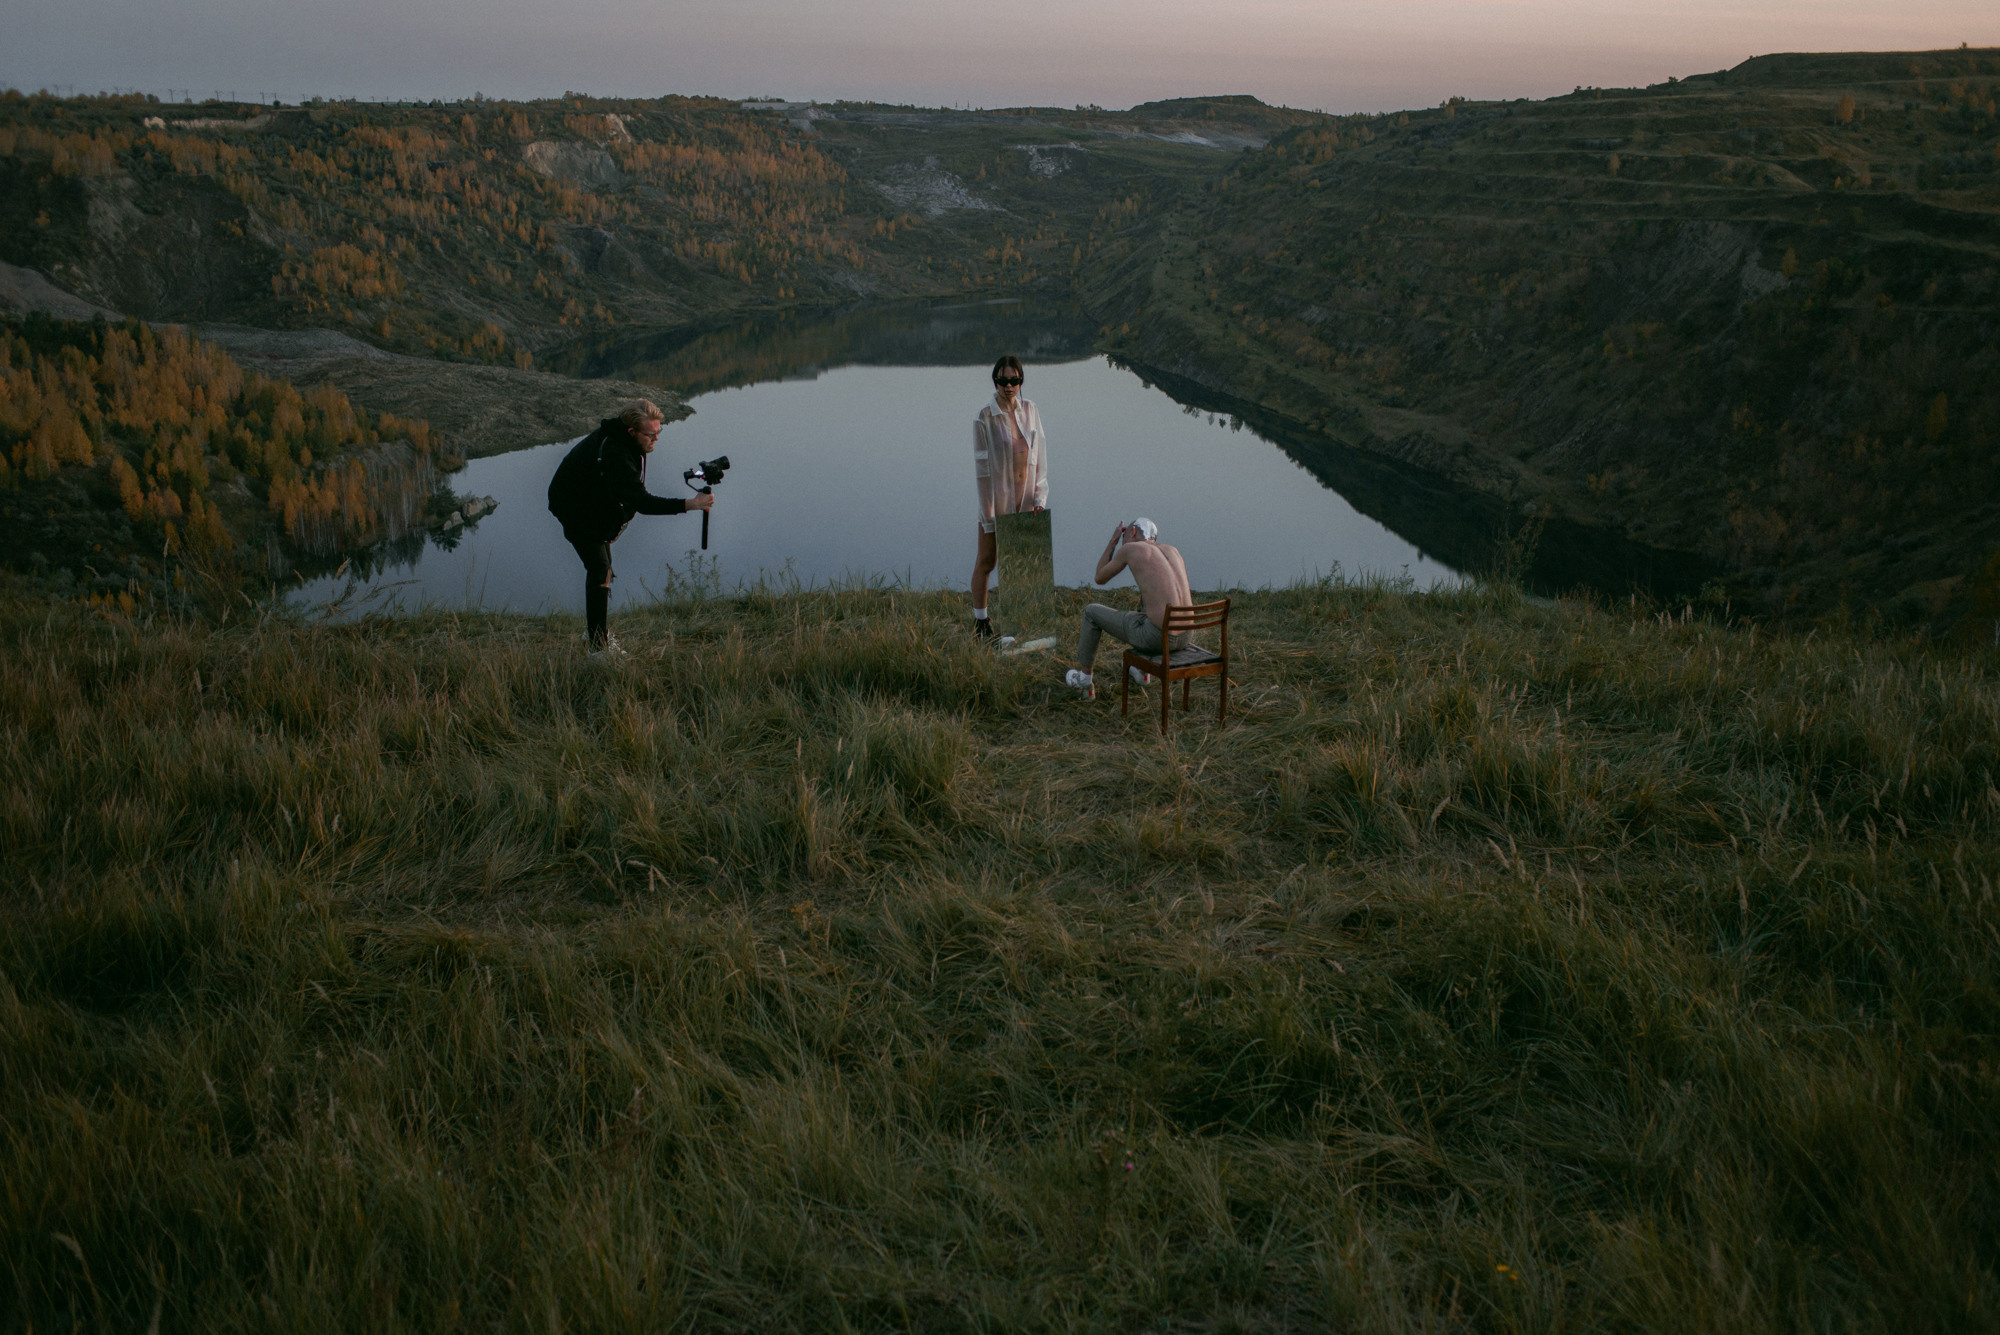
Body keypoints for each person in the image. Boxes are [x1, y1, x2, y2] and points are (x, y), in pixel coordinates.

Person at [545, 399, 713, 655]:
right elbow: (642, 501)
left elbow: (619, 491)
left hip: (587, 501)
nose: (656, 439)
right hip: (572, 508)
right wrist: (692, 504)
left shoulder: (623, 439)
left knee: (604, 569)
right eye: (650, 435)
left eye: (659, 432)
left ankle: (596, 634)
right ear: (632, 431)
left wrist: (614, 526)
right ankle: (598, 649)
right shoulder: (617, 454)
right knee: (599, 569)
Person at [1064, 518, 1192, 700]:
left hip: (1157, 639)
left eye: (1125, 534)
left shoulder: (1131, 548)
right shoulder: (1173, 551)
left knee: (1091, 611)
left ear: (1132, 532)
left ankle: (1084, 679)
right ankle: (1141, 671)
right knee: (1148, 597)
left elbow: (1100, 578)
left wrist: (1114, 541)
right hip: (1186, 636)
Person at [969, 353, 1048, 638]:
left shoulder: (1031, 410)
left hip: (1025, 500)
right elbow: (982, 471)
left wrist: (1040, 497)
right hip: (997, 501)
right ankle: (981, 622)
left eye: (1014, 380)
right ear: (995, 381)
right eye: (1003, 381)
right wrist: (988, 513)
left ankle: (1021, 626)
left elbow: (1040, 456)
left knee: (1021, 564)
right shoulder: (985, 417)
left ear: (1021, 381)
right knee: (987, 560)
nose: (1008, 386)